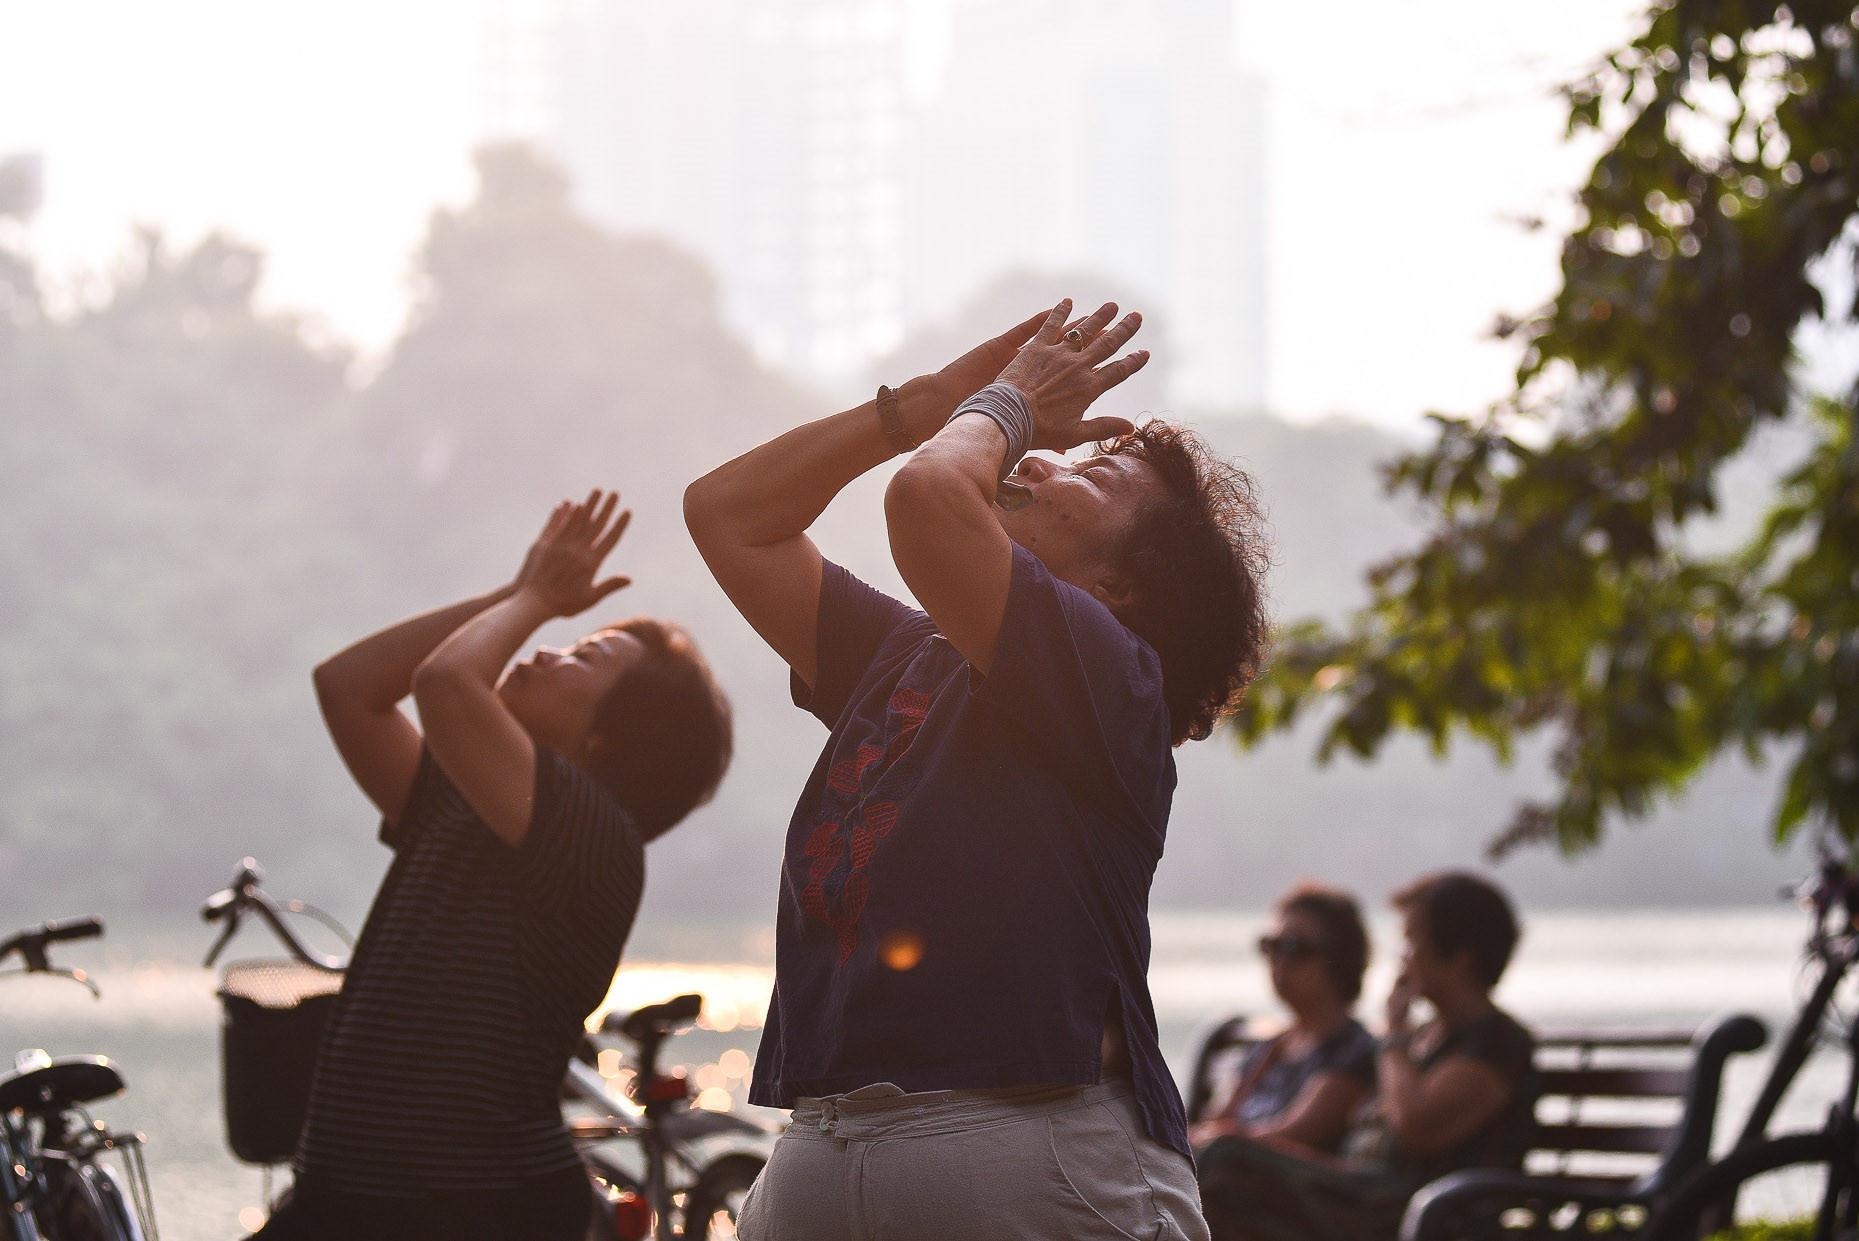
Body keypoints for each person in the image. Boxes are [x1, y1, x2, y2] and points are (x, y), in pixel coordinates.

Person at [684, 299, 1270, 1241]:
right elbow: (730, 516)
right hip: (822, 1145)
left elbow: (924, 504)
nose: (1040, 456)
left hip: (1031, 1148)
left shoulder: (1113, 672)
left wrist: (1005, 405)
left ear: (1123, 585)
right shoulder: (907, 654)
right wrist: (930, 403)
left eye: (1097, 473)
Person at [252, 491, 732, 1241]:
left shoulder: (593, 833)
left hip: (472, 1207)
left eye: (582, 656)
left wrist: (538, 597)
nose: (542, 649)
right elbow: (348, 688)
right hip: (349, 1200)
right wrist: (517, 594)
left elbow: (445, 684)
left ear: (610, 738)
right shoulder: (461, 799)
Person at [1197, 871, 1536, 1241]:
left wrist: (1392, 1036)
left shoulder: (1496, 1042)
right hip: (1357, 1194)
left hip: (1418, 1210)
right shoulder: (1424, 1037)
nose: (1403, 959)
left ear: (1459, 956)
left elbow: (1416, 1126)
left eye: (1412, 942)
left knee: (1225, 1160)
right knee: (1208, 1168)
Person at [1189, 883, 1375, 1157]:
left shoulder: (1352, 1049)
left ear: (1339, 960)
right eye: (1271, 945)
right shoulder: (1270, 1046)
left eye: (1295, 948)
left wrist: (1218, 1143)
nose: (1279, 960)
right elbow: (1218, 1120)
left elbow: (1299, 1133)